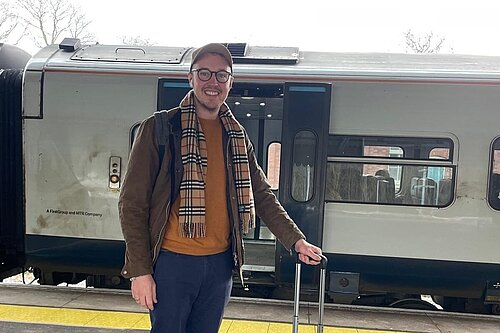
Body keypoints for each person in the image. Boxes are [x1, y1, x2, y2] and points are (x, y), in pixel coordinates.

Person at [118, 43, 323, 333]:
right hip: (172, 264)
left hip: (219, 267)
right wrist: (140, 271)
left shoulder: (236, 136)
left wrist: (295, 240)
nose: (212, 82)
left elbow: (262, 194)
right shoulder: (161, 128)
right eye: (204, 73)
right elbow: (132, 203)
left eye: (221, 75)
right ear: (190, 78)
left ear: (230, 83)